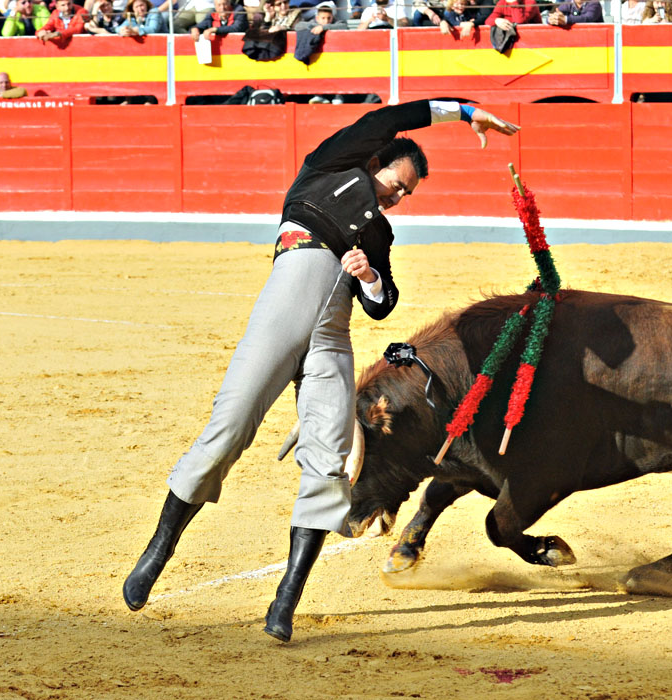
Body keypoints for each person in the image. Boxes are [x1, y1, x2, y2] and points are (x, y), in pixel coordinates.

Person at [121, 100, 520, 644]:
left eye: (407, 194)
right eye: (396, 183)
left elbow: (382, 303)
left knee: (329, 462)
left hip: (331, 339)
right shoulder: (325, 170)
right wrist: (462, 111)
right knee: (228, 431)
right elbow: (387, 119)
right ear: (374, 161)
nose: (397, 197)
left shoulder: (379, 234)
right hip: (282, 317)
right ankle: (158, 551)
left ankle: (286, 597)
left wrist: (371, 276)